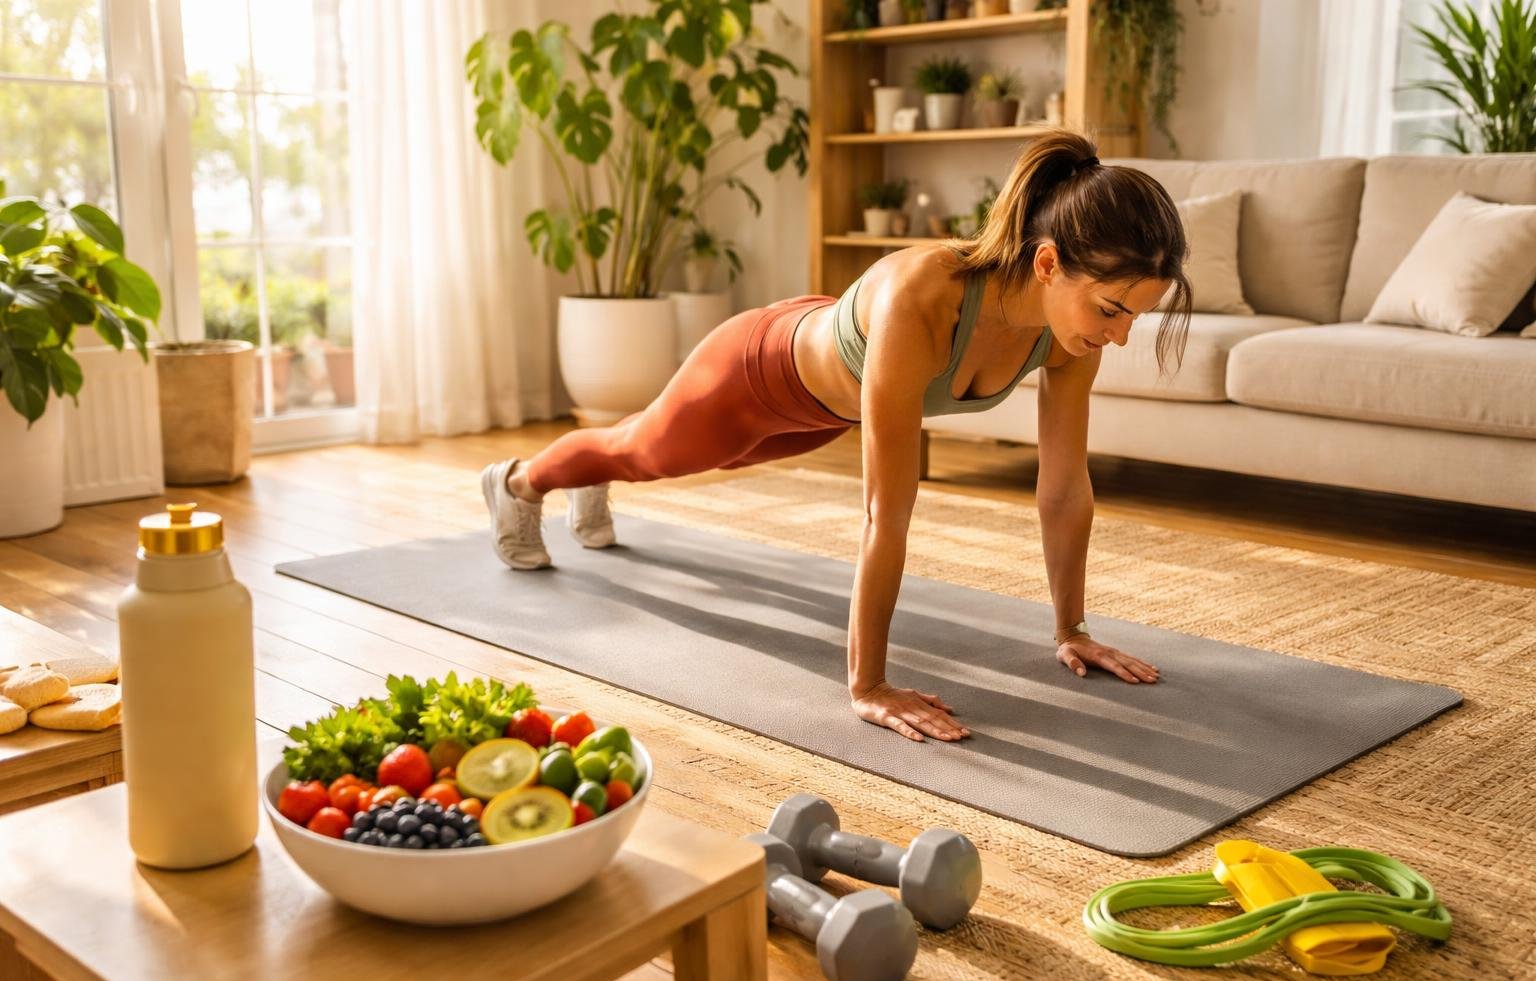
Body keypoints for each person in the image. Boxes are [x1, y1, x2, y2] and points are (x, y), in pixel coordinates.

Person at [480, 128, 1193, 743]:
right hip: (754, 371)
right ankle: (517, 483)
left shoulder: (1075, 338)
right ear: (1047, 264)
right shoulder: (925, 297)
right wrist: (869, 685)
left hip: (826, 409)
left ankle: (589, 472)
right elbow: (886, 511)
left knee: (680, 458)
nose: (1120, 336)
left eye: (1134, 317)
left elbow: (1064, 490)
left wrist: (1070, 630)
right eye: (1112, 309)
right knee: (640, 453)